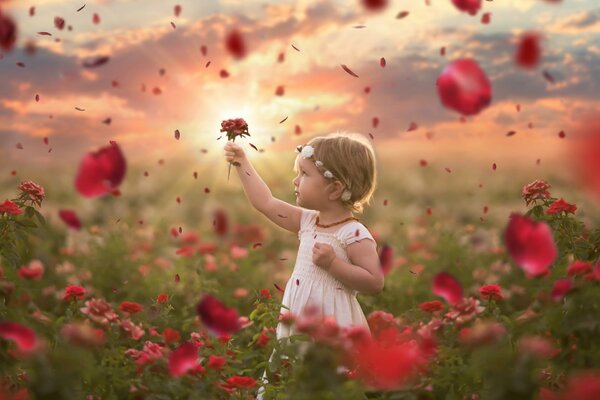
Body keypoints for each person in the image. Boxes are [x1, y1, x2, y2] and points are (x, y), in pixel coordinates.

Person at [223, 131, 384, 399]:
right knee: (291, 380)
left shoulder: (353, 233)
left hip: (333, 329)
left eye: (305, 174)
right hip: (298, 324)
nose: (296, 181)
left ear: (335, 188)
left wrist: (334, 265)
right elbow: (266, 202)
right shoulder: (307, 221)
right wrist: (243, 164)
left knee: (329, 386)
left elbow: (375, 281)